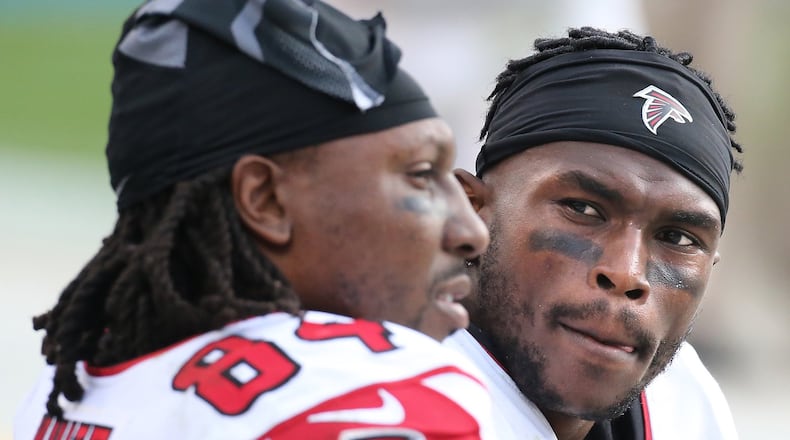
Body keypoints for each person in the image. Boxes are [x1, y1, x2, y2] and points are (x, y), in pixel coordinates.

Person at [14, 1, 496, 439]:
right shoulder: (379, 393)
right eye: (419, 175)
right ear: (264, 199)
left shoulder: (77, 382)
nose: (472, 232)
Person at [446, 27, 743, 440]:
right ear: (469, 214)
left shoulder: (683, 401)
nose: (626, 273)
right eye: (582, 210)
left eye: (678, 238)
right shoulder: (375, 388)